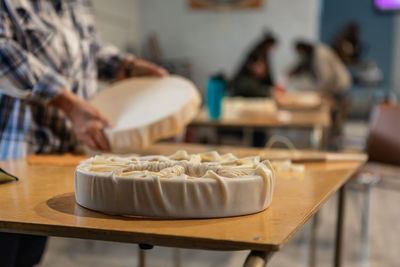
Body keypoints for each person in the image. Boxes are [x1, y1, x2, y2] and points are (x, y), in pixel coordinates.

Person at [0, 0, 166, 266]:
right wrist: (68, 103)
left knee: (28, 255)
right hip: (10, 151)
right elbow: (3, 53)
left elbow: (87, 50)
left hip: (54, 153)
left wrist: (127, 66)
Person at [289, 40, 351, 141]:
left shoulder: (320, 54)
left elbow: (327, 77)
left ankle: (332, 144)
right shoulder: (314, 55)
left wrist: (323, 92)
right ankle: (329, 142)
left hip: (340, 86)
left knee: (332, 119)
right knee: (330, 117)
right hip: (335, 86)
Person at [229, 32, 277, 97]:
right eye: (259, 65)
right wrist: (273, 91)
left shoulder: (255, 79)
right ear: (250, 66)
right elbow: (258, 91)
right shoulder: (246, 82)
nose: (263, 69)